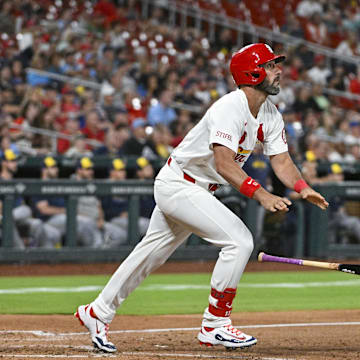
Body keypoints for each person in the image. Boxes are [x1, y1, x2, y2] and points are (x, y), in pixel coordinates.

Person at [74, 43, 329, 353]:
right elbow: (224, 163)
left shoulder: (270, 114)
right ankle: (215, 324)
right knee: (239, 241)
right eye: (272, 65)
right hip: (180, 185)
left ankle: (97, 311)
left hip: (193, 188)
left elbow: (281, 160)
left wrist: (302, 187)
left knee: (148, 255)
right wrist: (261, 194)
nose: (279, 71)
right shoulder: (229, 107)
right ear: (253, 71)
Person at [32, 156, 98, 247]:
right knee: (84, 222)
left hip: (63, 218)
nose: (56, 169)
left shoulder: (58, 184)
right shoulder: (39, 185)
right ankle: (93, 251)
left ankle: (92, 252)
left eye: (56, 167)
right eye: (52, 167)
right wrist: (66, 211)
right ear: (44, 170)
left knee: (87, 222)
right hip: (48, 220)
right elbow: (44, 210)